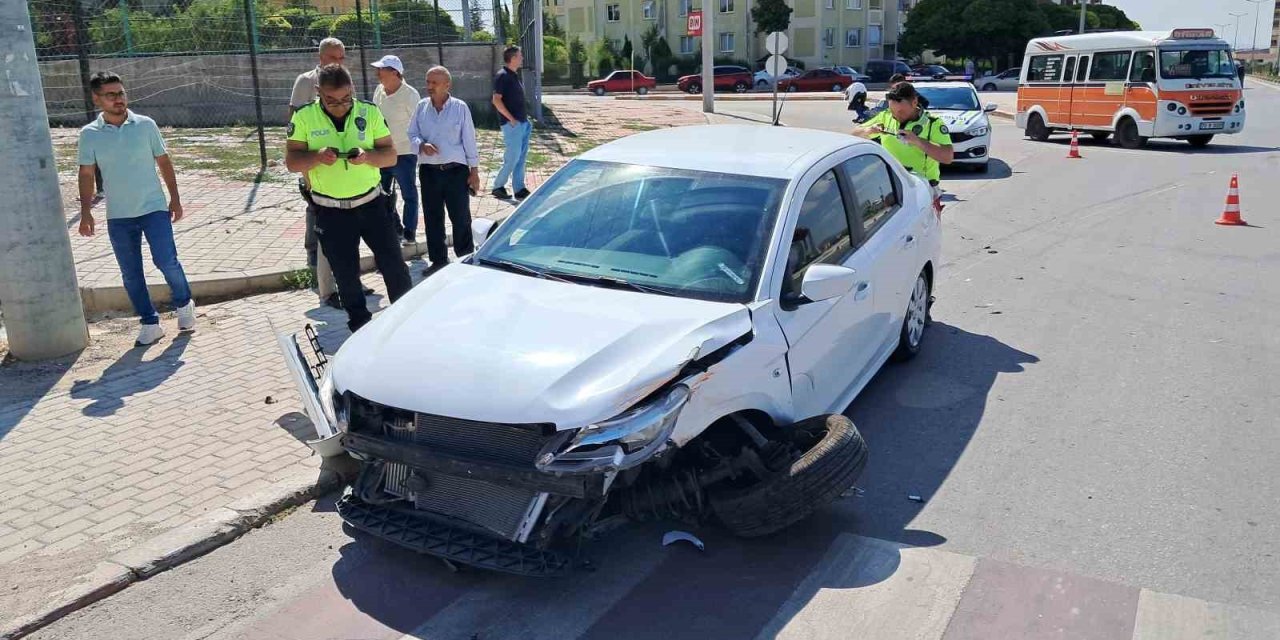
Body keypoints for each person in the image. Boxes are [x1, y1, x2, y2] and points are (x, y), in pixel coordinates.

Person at [285, 64, 413, 332]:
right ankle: (360, 328)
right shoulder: (304, 117)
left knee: (394, 267)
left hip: (372, 205)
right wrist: (317, 157)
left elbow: (389, 155)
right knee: (346, 276)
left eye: (345, 99)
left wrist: (367, 157)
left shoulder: (368, 111)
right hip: (331, 211)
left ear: (352, 90)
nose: (340, 106)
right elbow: (292, 161)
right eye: (331, 101)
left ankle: (406, 325)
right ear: (319, 92)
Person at [77, 71, 195, 346]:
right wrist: (86, 212)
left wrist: (175, 199)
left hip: (153, 208)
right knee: (131, 272)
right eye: (111, 95)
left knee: (166, 260)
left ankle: (184, 303)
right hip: (118, 215)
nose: (119, 99)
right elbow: (86, 174)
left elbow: (164, 162)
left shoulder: (145, 125)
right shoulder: (89, 134)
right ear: (97, 99)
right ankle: (149, 322)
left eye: (121, 93)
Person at [408, 66, 480, 277]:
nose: (429, 86)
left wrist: (474, 171)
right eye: (428, 82)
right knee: (432, 217)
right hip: (429, 172)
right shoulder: (421, 106)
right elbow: (411, 134)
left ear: (447, 85)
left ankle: (465, 257)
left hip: (455, 172)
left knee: (460, 217)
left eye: (434, 83)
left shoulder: (460, 108)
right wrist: (421, 145)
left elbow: (469, 139)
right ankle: (438, 260)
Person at [291, 38, 346, 308]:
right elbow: (295, 121)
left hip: (341, 166)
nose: (339, 62)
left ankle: (346, 280)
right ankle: (326, 284)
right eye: (334, 57)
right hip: (316, 162)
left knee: (345, 224)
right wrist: (307, 162)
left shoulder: (345, 80)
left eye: (342, 57)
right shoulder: (305, 82)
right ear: (320, 57)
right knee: (320, 215)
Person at [852, 81, 954, 214]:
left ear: (914, 102)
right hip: (891, 187)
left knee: (926, 232)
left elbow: (947, 157)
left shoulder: (933, 123)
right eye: (893, 112)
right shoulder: (886, 116)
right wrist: (869, 130)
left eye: (901, 112)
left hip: (923, 188)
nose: (896, 117)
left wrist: (918, 141)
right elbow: (853, 134)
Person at [371, 54, 421, 245]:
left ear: (394, 73)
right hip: (382, 153)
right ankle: (396, 228)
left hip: (404, 153)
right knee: (382, 193)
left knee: (409, 193)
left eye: (381, 70)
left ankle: (409, 232)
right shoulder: (379, 90)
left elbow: (418, 124)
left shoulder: (410, 95)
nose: (377, 73)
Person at [491, 45, 532, 200]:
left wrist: (525, 121)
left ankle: (519, 188)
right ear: (513, 58)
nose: (522, 58)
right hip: (512, 125)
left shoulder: (513, 75)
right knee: (513, 157)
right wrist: (511, 119)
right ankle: (498, 186)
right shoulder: (502, 75)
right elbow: (496, 100)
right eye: (520, 56)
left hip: (523, 123)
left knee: (521, 158)